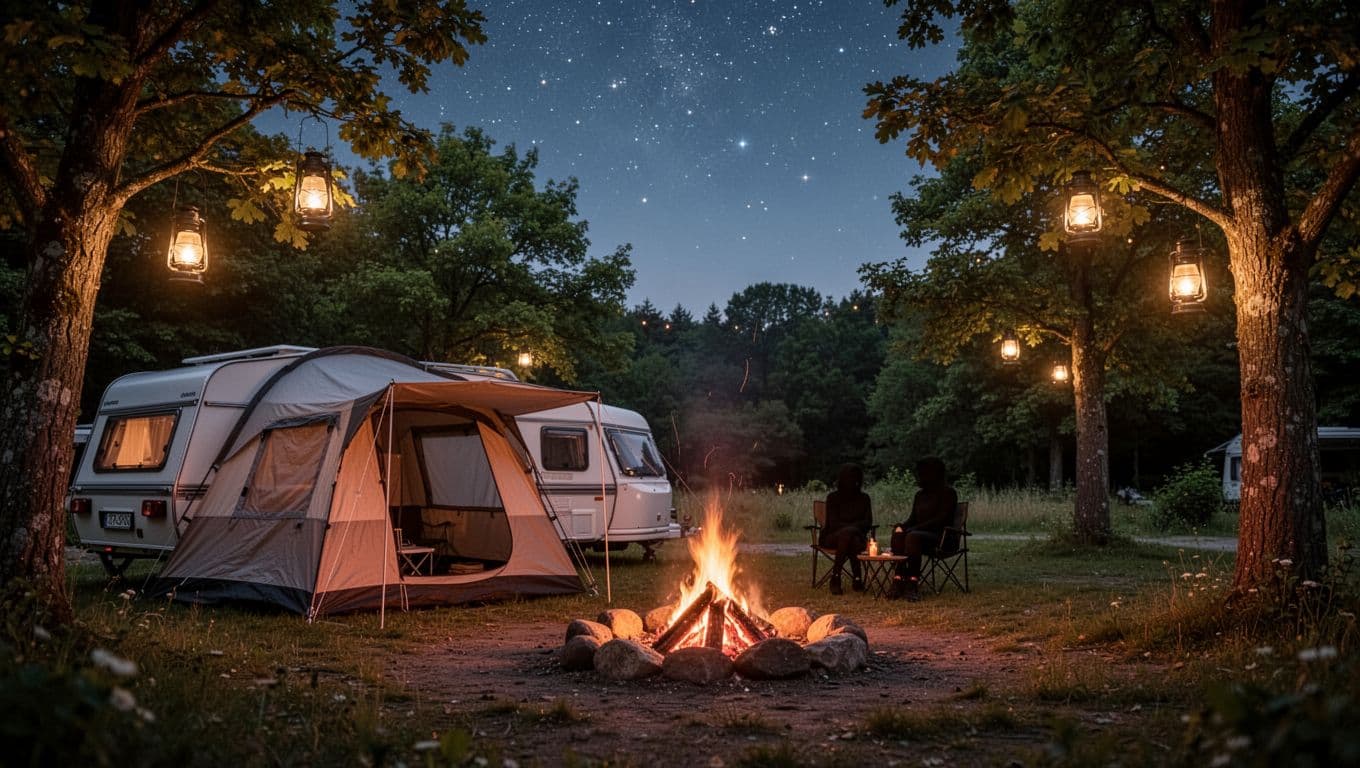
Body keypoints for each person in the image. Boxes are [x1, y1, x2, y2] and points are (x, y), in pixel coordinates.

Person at [890, 457, 958, 601]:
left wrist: (913, 529)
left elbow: (942, 519)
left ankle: (913, 582)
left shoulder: (948, 493)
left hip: (941, 538)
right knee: (899, 534)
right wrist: (902, 526)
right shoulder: (920, 495)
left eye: (921, 473)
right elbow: (912, 519)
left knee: (913, 536)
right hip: (919, 535)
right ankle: (898, 578)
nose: (918, 476)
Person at [820, 464, 873, 595]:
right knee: (848, 536)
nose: (853, 481)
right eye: (849, 478)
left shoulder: (864, 498)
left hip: (857, 538)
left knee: (850, 537)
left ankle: (836, 577)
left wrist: (851, 529)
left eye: (855, 478)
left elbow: (868, 522)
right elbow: (833, 524)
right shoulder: (833, 498)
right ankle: (857, 578)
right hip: (832, 537)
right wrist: (853, 528)